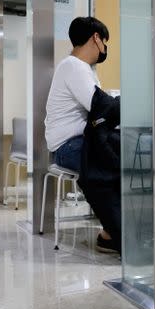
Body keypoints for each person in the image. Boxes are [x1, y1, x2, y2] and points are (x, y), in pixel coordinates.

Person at [45, 16, 118, 253]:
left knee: (120, 155)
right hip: (68, 147)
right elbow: (97, 105)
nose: (104, 49)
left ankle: (113, 231)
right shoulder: (73, 66)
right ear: (96, 38)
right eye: (105, 42)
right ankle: (115, 232)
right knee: (111, 163)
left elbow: (100, 107)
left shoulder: (81, 69)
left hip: (75, 142)